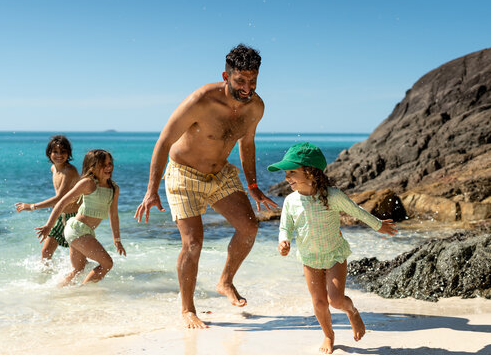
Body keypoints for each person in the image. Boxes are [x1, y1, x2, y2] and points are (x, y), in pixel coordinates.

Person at [135, 44, 277, 329]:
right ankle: (188, 310)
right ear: (226, 76)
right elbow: (164, 141)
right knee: (194, 242)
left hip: (220, 173)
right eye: (240, 81)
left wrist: (252, 185)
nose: (247, 88)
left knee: (249, 227)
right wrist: (151, 190)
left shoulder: (256, 107)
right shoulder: (201, 100)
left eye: (253, 81)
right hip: (183, 174)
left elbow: (247, 144)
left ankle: (225, 281)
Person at [268, 142, 397, 354]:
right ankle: (328, 335)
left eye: (292, 171)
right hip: (309, 257)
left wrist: (378, 225)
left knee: (335, 300)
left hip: (335, 254)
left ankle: (352, 312)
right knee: (319, 303)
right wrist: (284, 241)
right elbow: (285, 226)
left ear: (310, 173)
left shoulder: (332, 196)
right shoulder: (291, 201)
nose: (286, 177)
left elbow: (356, 211)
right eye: (286, 172)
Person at [36, 149, 126, 285]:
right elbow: (62, 202)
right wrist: (49, 225)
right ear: (92, 167)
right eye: (104, 164)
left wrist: (117, 239)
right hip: (77, 230)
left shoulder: (114, 188)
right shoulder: (88, 183)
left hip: (85, 231)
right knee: (107, 263)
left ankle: (55, 291)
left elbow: (113, 214)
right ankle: (83, 292)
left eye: (110, 163)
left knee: (78, 269)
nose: (109, 167)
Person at [15, 135, 80, 262]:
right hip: (60, 215)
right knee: (46, 252)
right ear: (49, 153)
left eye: (63, 151)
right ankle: (46, 280)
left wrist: (32, 206)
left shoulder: (70, 171)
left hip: (73, 217)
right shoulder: (54, 168)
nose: (59, 155)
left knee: (77, 257)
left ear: (68, 153)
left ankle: (83, 279)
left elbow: (60, 197)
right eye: (55, 151)